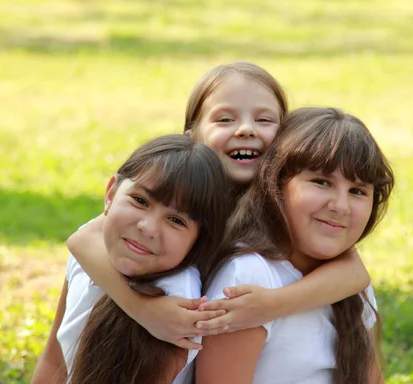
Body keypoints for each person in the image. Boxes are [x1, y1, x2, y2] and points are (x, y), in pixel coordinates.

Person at [65, 62, 373, 350]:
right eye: (225, 119)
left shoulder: (285, 210)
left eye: (264, 120)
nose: (246, 129)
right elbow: (83, 239)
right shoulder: (174, 191)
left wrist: (271, 305)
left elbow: (354, 273)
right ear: (192, 136)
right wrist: (146, 311)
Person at [196, 107, 394, 384]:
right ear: (276, 182)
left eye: (358, 191)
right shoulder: (250, 276)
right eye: (322, 182)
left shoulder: (347, 281)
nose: (340, 206)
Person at [31, 135, 231, 383]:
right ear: (110, 194)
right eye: (140, 201)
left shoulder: (177, 304)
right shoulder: (91, 252)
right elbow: (54, 359)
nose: (148, 227)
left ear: (198, 241)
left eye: (176, 220)